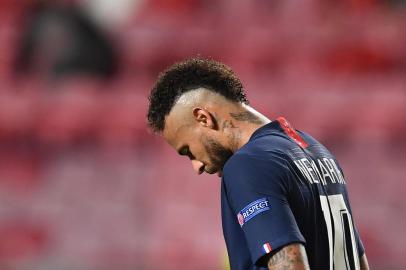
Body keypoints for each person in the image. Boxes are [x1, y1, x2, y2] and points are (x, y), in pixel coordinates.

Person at [147, 58, 369, 270]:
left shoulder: (247, 165)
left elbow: (289, 264)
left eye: (188, 151)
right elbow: (358, 262)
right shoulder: (319, 153)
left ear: (204, 118)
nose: (197, 167)